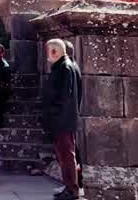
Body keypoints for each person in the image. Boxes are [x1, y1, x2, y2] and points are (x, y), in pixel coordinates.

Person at [41, 38, 83, 200]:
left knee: (67, 155)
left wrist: (52, 112)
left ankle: (72, 190)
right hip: (63, 119)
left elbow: (65, 96)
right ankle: (69, 187)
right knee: (64, 155)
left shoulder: (65, 68)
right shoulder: (65, 66)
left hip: (62, 120)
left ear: (55, 51)